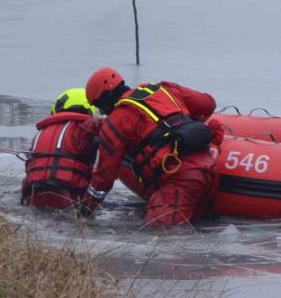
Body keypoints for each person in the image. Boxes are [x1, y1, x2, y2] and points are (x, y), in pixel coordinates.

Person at [80, 70, 224, 228]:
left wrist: (84, 211)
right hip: (210, 169)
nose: (102, 112)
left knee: (161, 238)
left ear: (105, 99)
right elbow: (207, 104)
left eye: (99, 106)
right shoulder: (165, 89)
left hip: (179, 182)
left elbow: (104, 176)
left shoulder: (117, 121)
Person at [21, 88, 102, 210]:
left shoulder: (41, 132)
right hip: (68, 196)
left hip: (32, 196)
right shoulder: (84, 129)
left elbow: (29, 166)